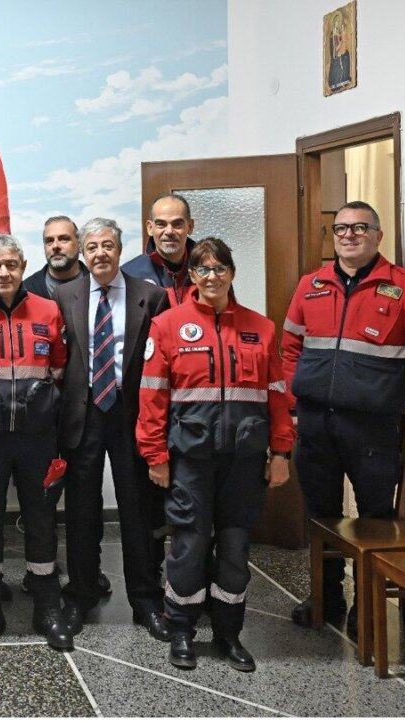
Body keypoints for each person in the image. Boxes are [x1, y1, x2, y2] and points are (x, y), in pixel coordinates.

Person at [137, 237, 294, 672]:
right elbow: (152, 396)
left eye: (219, 268)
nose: (211, 277)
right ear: (192, 276)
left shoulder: (260, 327)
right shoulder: (168, 325)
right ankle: (182, 631)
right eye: (202, 270)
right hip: (189, 459)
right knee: (187, 544)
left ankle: (228, 633)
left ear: (232, 273)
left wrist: (281, 450)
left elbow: (277, 393)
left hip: (244, 461)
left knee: (235, 547)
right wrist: (155, 455)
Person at [283, 200, 405, 634]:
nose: (349, 235)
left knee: (375, 519)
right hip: (314, 423)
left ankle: (365, 607)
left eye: (360, 227)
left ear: (378, 236)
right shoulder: (311, 285)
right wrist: (291, 408)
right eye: (342, 229)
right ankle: (324, 598)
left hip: (372, 427)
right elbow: (290, 349)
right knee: (321, 516)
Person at [56, 218, 170, 639]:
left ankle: (145, 599)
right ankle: (82, 591)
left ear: (120, 250)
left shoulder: (151, 296)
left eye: (107, 245)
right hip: (83, 412)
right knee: (81, 508)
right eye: (92, 246)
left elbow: (161, 361)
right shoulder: (64, 295)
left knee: (137, 507)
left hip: (131, 411)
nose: (99, 253)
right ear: (83, 253)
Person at [0, 233, 71, 652]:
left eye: (11, 264)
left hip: (37, 439)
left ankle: (47, 607)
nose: (3, 272)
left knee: (42, 520)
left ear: (23, 266)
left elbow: (59, 370)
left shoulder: (49, 309)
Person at [122, 194, 197, 306]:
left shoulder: (209, 270)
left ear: (190, 226)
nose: (169, 231)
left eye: (177, 224)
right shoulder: (129, 275)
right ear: (150, 228)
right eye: (161, 224)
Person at [24, 215, 87, 299]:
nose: (55, 246)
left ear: (79, 244)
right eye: (49, 241)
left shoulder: (98, 282)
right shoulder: (26, 290)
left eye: (64, 239)